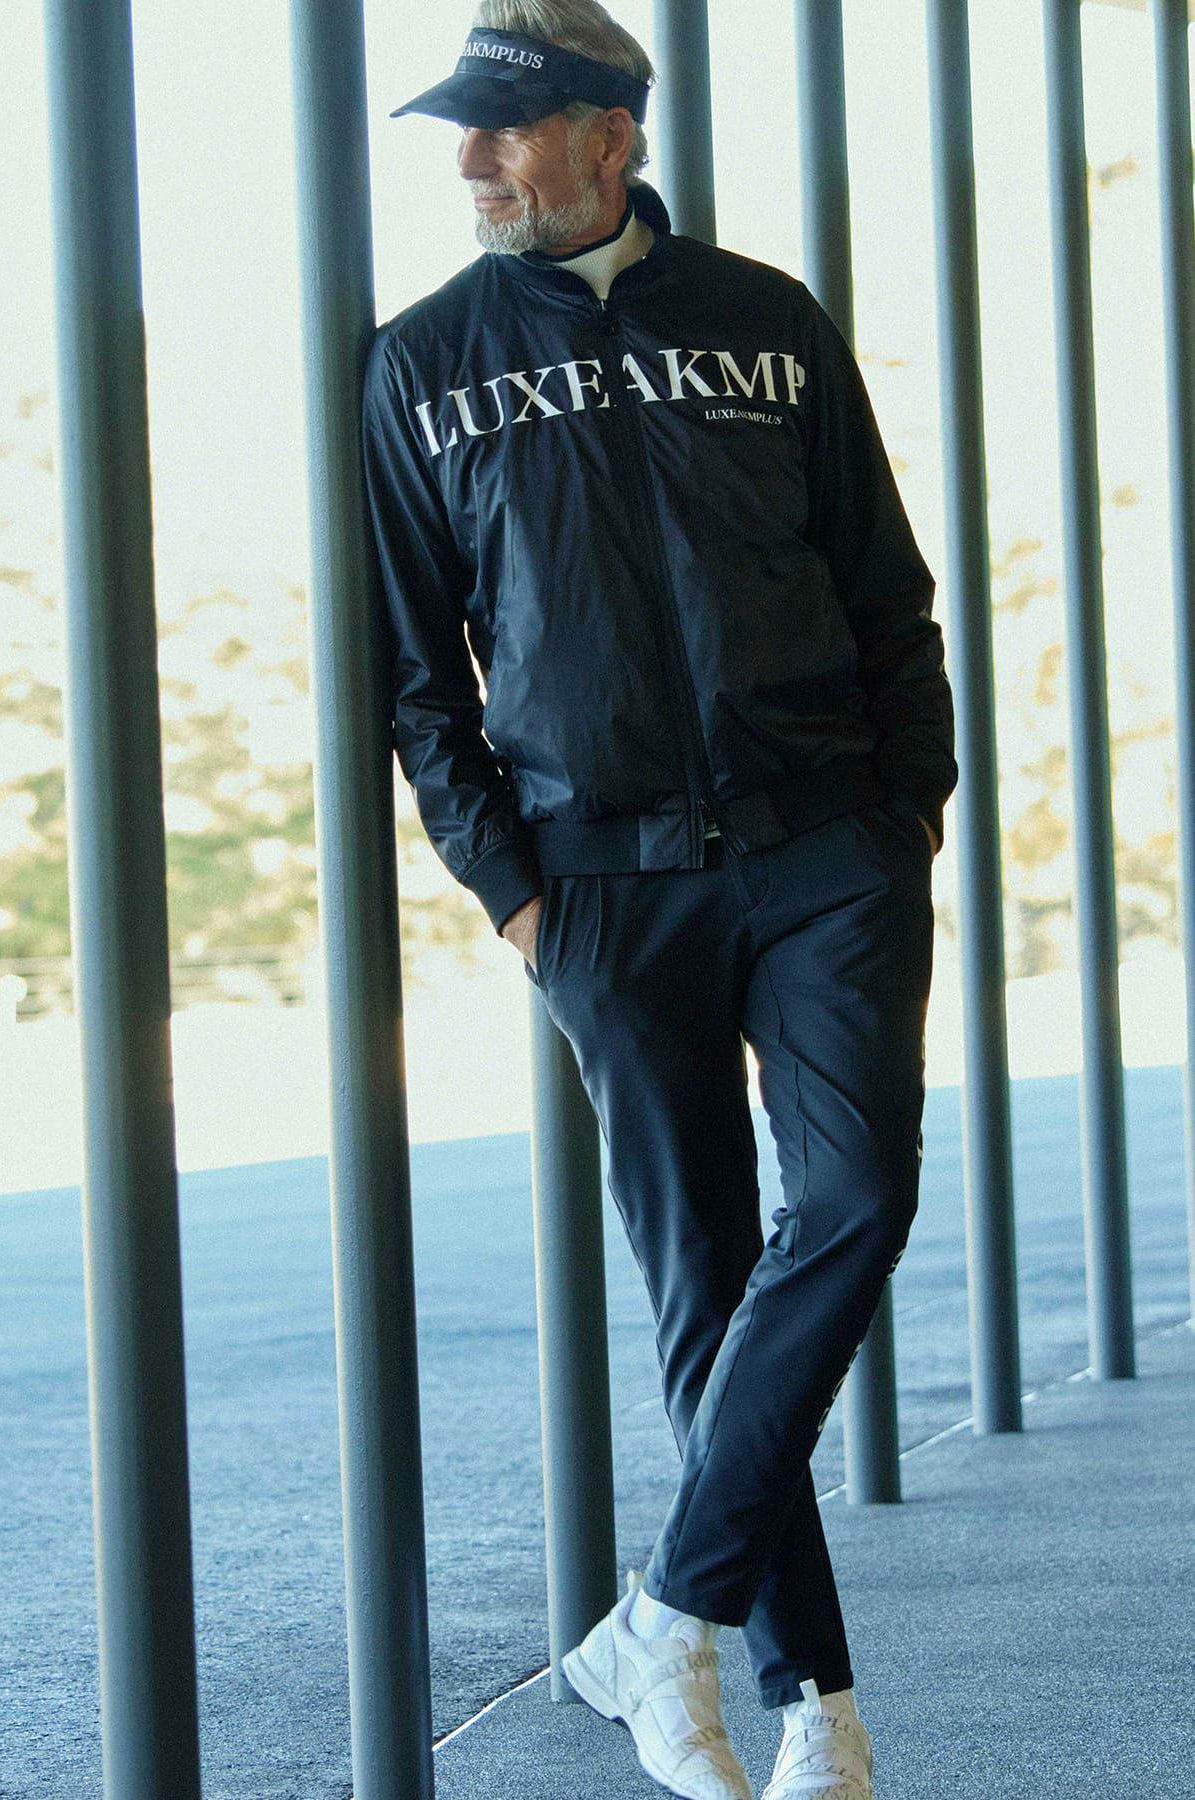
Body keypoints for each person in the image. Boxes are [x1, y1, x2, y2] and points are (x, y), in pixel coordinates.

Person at [361, 5, 957, 1797]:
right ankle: (811, 1708)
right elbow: (418, 681)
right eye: (463, 135)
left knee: (853, 1200)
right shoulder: (422, 364)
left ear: (609, 133)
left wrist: (904, 816)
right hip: (603, 887)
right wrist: (517, 898)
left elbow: (885, 588)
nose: (474, 163)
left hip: (824, 848)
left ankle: (664, 1623)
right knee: (703, 1279)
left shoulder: (767, 322)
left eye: (506, 129)